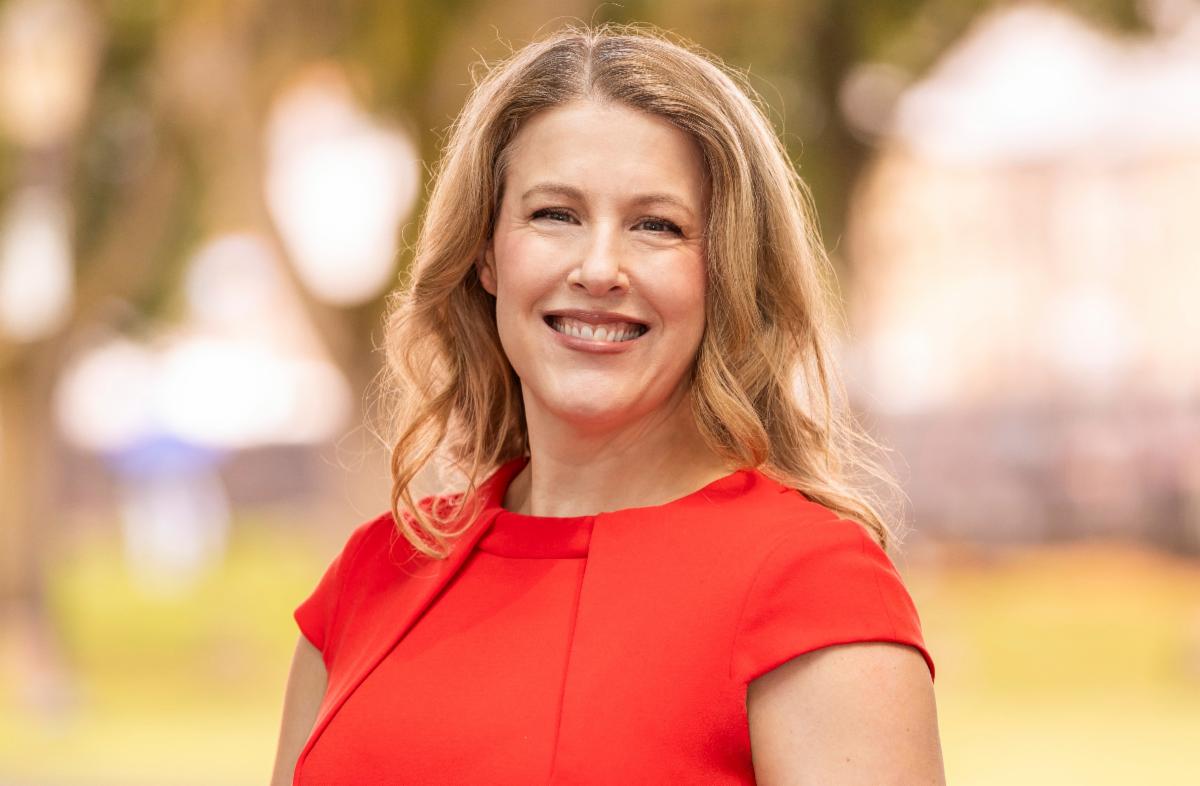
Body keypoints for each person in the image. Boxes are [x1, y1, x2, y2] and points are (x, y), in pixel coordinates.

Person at [271, 22, 945, 786]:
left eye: (657, 226)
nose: (598, 268)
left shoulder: (813, 588)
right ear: (487, 252)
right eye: (555, 214)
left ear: (724, 272)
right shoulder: (372, 576)